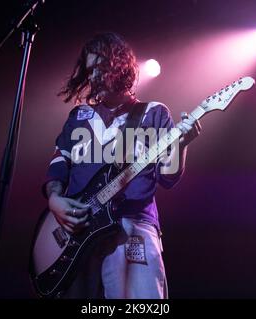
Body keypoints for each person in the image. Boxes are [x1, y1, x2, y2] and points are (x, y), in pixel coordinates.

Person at [42, 32, 201, 299]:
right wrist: (54, 200)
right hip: (77, 234)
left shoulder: (153, 113)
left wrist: (182, 145)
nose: (91, 78)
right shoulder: (79, 117)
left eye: (98, 69)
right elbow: (58, 165)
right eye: (88, 71)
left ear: (119, 67)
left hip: (133, 226)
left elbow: (168, 177)